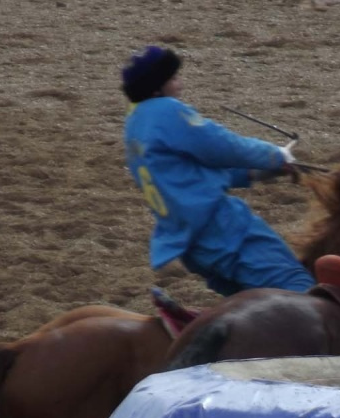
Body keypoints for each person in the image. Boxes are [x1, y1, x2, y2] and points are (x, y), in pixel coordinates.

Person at [121, 45, 315, 296]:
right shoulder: (165, 110)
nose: (179, 85)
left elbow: (186, 175)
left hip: (192, 248)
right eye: (174, 78)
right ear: (156, 86)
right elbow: (223, 146)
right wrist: (275, 155)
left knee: (253, 306)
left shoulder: (134, 124)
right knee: (299, 291)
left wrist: (251, 174)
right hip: (223, 230)